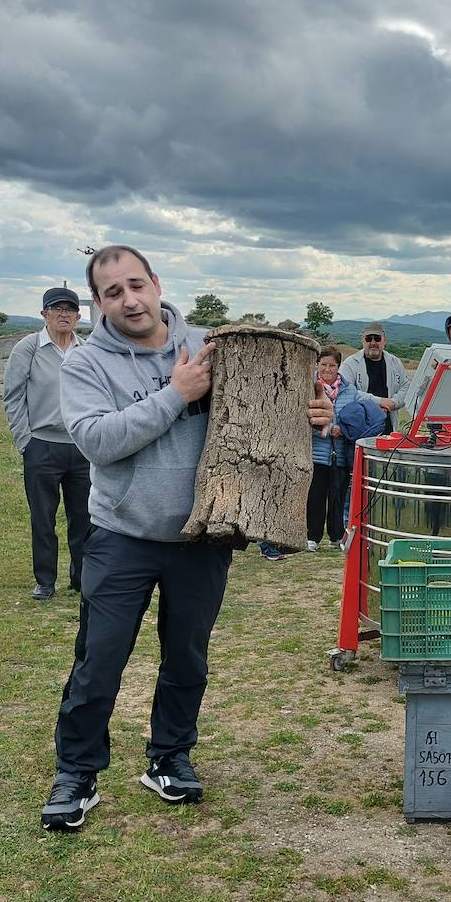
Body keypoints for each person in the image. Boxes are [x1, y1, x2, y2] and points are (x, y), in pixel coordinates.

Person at [40, 244, 333, 831]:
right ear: (97, 303)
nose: (129, 300)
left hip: (204, 534)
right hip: (122, 533)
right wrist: (177, 395)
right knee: (99, 661)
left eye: (136, 285)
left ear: (155, 283)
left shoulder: (212, 347)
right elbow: (98, 440)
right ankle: (77, 772)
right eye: (113, 292)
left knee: (187, 659)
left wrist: (314, 416)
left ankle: (170, 757)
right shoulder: (86, 364)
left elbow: (270, 412)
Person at [2, 287, 91, 600]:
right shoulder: (28, 348)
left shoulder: (86, 349)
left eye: (70, 309)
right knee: (43, 517)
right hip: (42, 444)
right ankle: (45, 580)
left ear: (79, 315)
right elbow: (13, 397)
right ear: (44, 314)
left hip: (81, 446)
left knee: (85, 517)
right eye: (57, 309)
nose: (63, 314)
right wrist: (25, 441)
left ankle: (82, 579)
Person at [306, 345, 356, 550]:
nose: (327, 369)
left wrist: (342, 430)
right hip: (317, 453)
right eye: (324, 364)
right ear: (318, 365)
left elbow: (355, 417)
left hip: (340, 454)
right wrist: (325, 429)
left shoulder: (350, 391)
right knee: (316, 497)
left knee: (338, 496)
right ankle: (312, 536)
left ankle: (336, 536)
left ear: (338, 366)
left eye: (332, 365)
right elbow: (304, 418)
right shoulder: (309, 388)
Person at [339, 322, 409, 434]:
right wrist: (379, 402)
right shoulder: (350, 364)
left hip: (388, 429)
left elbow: (405, 387)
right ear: (362, 340)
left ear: (384, 340)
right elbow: (347, 393)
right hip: (360, 429)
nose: (373, 343)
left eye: (377, 338)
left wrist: (393, 403)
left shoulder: (395, 363)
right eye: (368, 339)